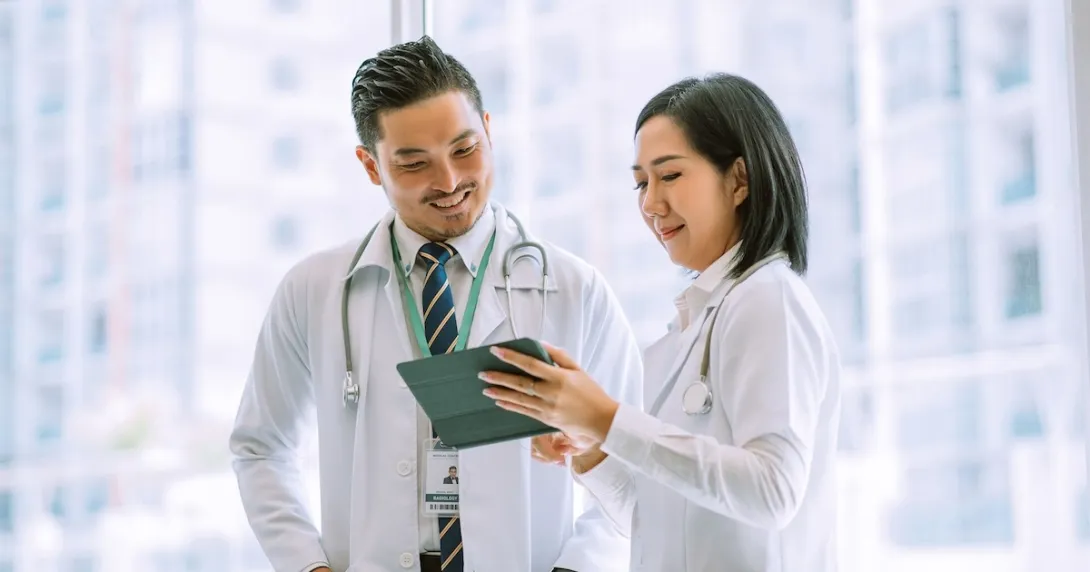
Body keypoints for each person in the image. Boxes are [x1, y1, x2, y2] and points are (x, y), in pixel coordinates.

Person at [228, 36, 642, 572]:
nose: (449, 182)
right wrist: (309, 566)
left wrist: (576, 568)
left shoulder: (572, 288)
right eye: (414, 164)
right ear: (370, 166)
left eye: (465, 150)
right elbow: (260, 448)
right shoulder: (314, 288)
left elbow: (634, 469)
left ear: (489, 131)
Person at [481, 73, 842, 572]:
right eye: (640, 183)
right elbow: (655, 522)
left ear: (739, 179)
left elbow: (773, 490)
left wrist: (607, 419)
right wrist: (590, 449)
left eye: (669, 176)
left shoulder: (769, 299)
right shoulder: (687, 331)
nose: (650, 204)